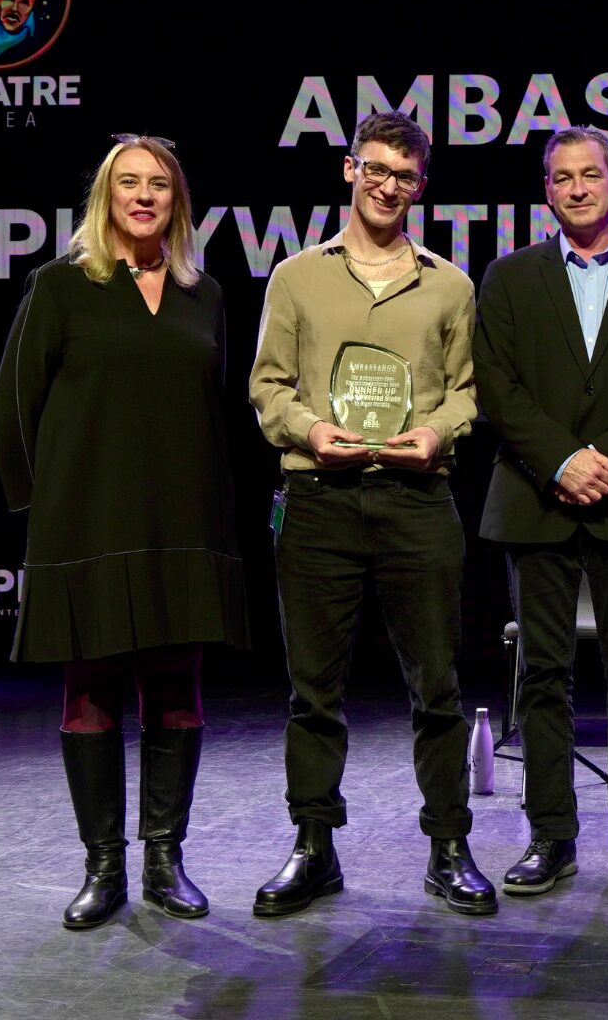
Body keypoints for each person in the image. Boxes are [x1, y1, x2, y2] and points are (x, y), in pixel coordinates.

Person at [0, 134, 249, 930]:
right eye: (129, 183)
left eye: (158, 185)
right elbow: (13, 404)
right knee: (91, 691)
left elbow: (212, 410)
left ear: (177, 202)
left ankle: (165, 861)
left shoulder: (204, 293)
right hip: (87, 521)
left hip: (184, 520)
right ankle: (103, 868)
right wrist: (45, 507)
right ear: (106, 196)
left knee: (176, 691)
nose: (143, 196)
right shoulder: (61, 286)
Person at [247, 111, 495, 918]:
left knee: (438, 687)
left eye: (405, 176)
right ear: (350, 169)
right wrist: (312, 432)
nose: (389, 186)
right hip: (318, 499)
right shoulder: (297, 277)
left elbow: (466, 393)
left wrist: (437, 433)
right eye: (377, 169)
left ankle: (449, 846)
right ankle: (313, 847)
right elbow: (268, 386)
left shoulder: (450, 285)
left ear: (422, 187)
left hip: (416, 500)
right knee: (313, 691)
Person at [474, 126, 608, 898]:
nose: (576, 188)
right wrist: (562, 460)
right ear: (547, 191)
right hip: (535, 498)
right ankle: (551, 836)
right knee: (542, 674)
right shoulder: (508, 276)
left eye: (590, 175)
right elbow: (496, 385)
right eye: (562, 178)